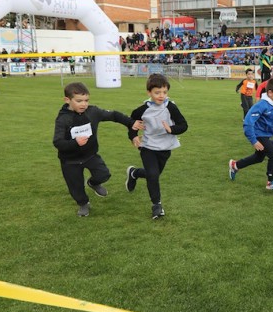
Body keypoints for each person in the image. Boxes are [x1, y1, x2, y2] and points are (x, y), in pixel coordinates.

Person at [53, 82, 142, 217]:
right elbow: (58, 142)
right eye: (79, 101)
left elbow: (114, 115)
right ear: (67, 100)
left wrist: (131, 122)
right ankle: (83, 204)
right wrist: (75, 142)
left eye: (86, 100)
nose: (84, 104)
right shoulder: (63, 119)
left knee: (104, 174)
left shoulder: (93, 112)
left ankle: (93, 183)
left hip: (90, 155)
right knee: (75, 186)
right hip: (70, 161)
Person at [125, 74, 189, 219]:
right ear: (149, 93)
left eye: (164, 92)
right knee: (153, 175)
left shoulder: (171, 107)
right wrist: (133, 135)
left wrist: (171, 129)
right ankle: (157, 206)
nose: (161, 96)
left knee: (153, 174)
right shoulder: (142, 109)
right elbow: (132, 123)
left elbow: (183, 125)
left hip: (165, 148)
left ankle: (134, 173)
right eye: (157, 92)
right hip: (147, 146)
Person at [229, 77, 273, 191]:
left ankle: (235, 165)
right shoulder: (261, 105)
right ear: (270, 93)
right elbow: (248, 123)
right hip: (259, 134)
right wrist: (254, 140)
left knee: (258, 158)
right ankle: (271, 182)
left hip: (266, 134)